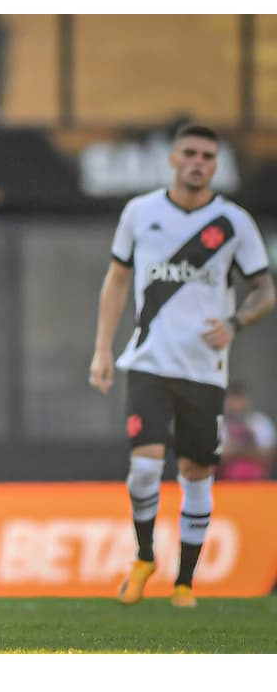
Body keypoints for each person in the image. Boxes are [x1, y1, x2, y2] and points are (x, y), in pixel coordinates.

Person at [89, 123, 275, 608]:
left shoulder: (232, 223)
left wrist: (235, 321)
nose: (197, 162)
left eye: (207, 156)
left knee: (195, 472)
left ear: (216, 166)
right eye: (189, 152)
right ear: (173, 158)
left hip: (204, 370)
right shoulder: (141, 213)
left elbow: (264, 289)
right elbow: (116, 280)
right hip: (148, 362)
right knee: (145, 467)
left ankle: (186, 583)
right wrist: (102, 349)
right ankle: (144, 556)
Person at [217, 381, 276, 481]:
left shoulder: (260, 422)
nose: (236, 405)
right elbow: (215, 458)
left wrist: (235, 450)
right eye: (232, 400)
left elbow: (270, 454)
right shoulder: (219, 424)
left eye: (239, 399)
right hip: (225, 485)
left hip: (261, 484)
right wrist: (249, 449)